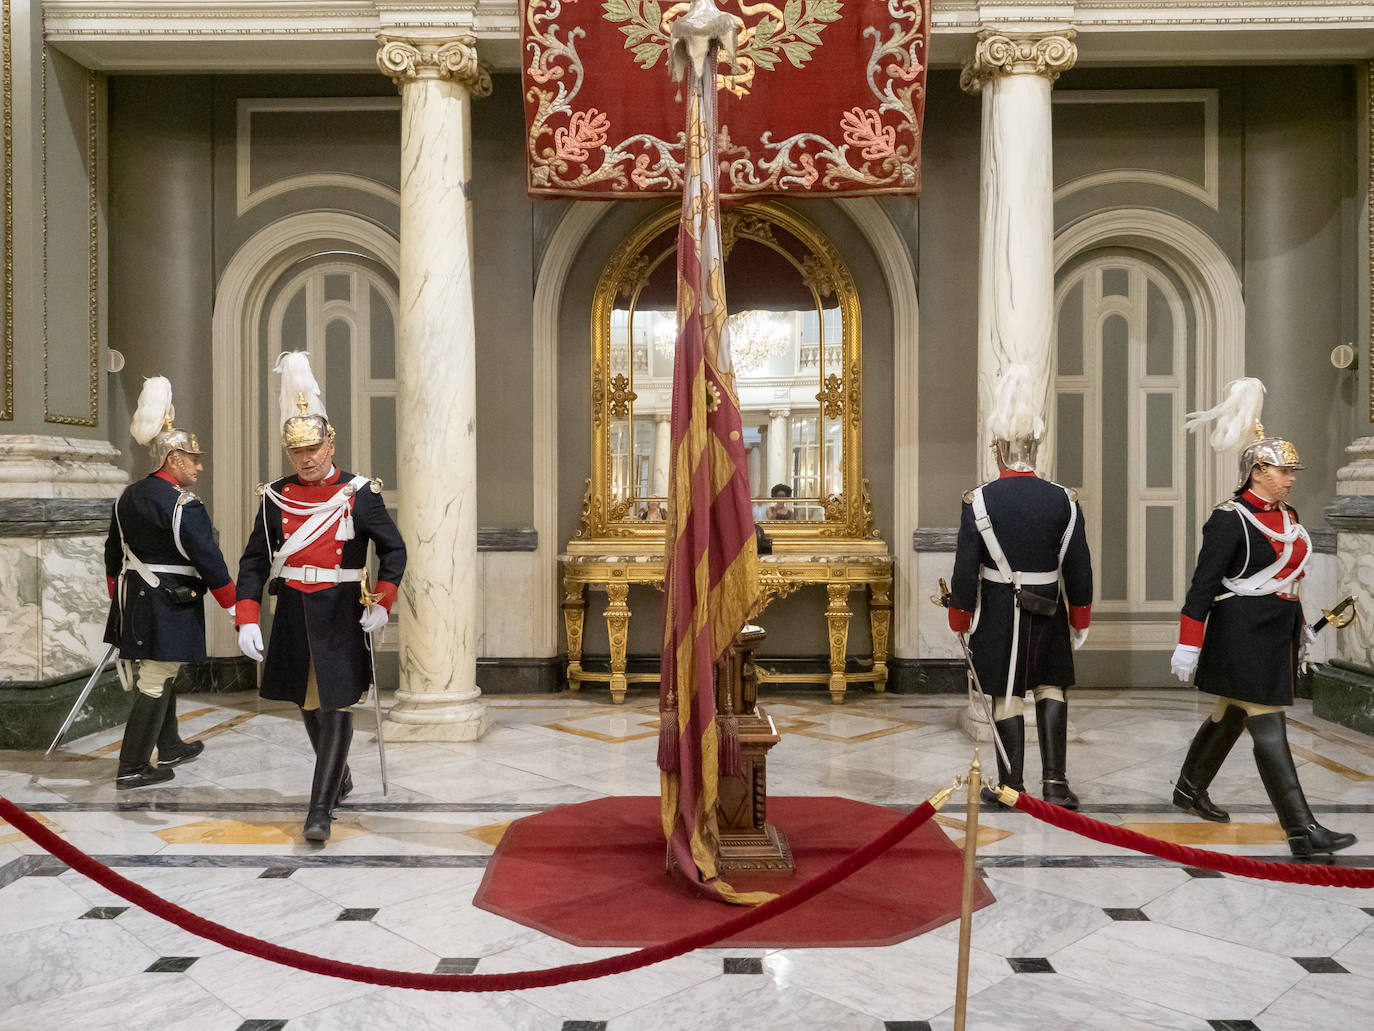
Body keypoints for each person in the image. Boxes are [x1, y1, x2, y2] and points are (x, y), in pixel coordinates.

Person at [1170, 378, 1355, 856]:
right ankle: (1302, 830)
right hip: (1241, 634)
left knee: (1228, 714)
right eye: (1282, 470)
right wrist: (1189, 642)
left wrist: (1301, 626)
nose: (1291, 478)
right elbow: (1203, 587)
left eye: (1292, 471)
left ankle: (1188, 788)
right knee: (1268, 723)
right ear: (1256, 470)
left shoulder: (1287, 514)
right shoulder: (1229, 518)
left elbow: (1288, 576)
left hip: (1276, 630)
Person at [235, 352, 406, 843]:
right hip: (291, 609)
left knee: (336, 705)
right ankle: (340, 776)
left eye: (313, 449)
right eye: (297, 453)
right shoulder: (275, 496)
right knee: (306, 703)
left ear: (330, 443)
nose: (306, 460)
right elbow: (252, 560)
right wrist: (247, 616)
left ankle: (319, 810)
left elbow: (395, 551)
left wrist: (383, 602)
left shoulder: (359, 493)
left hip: (340, 611)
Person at [947, 364, 1093, 810]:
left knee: (1007, 692)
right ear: (1037, 448)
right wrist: (1080, 617)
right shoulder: (1064, 500)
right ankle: (1056, 784)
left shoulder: (980, 499)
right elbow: (1080, 568)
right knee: (1051, 687)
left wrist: (961, 617)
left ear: (998, 451)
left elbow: (964, 570)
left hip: (999, 607)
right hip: (1049, 603)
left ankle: (1012, 785)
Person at [104, 377, 236, 789]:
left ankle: (172, 744)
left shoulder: (128, 496)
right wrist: (236, 607)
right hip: (168, 602)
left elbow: (113, 552)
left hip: (135, 597)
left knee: (162, 667)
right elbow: (209, 561)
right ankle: (132, 766)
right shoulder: (185, 505)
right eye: (194, 459)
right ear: (174, 458)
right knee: (156, 676)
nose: (199, 466)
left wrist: (119, 598)